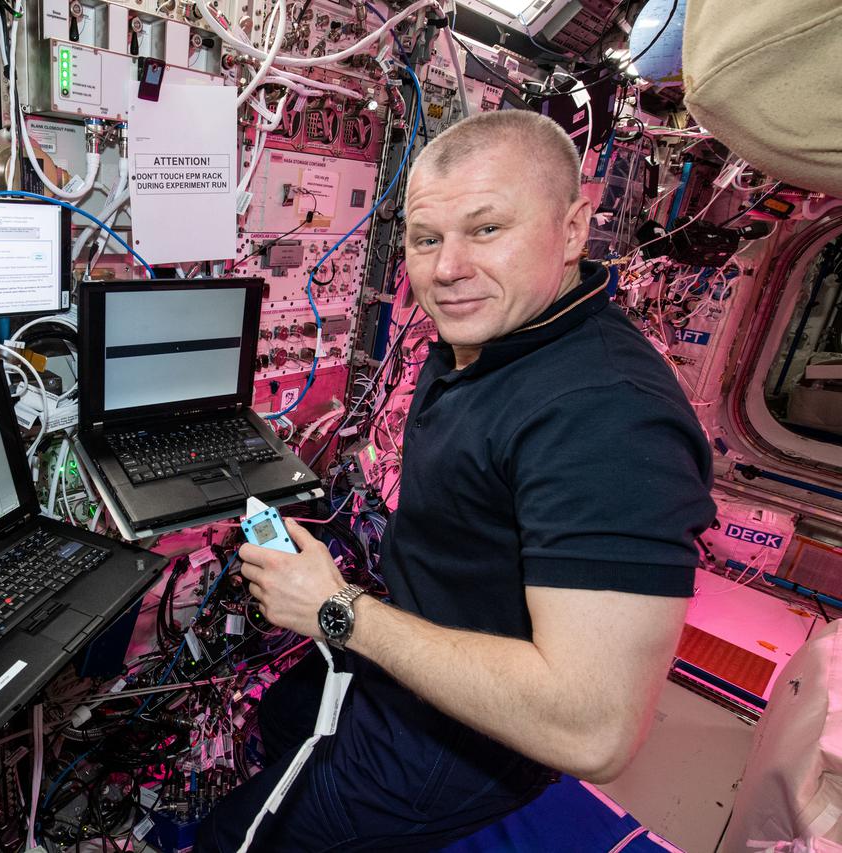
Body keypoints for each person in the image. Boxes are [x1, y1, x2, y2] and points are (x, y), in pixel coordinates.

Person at [196, 110, 717, 851]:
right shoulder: (498, 339)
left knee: (231, 840)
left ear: (572, 230)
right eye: (427, 238)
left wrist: (338, 610)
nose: (447, 269)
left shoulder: (609, 421)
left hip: (454, 745)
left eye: (486, 230)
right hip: (409, 658)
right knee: (281, 716)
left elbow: (592, 726)